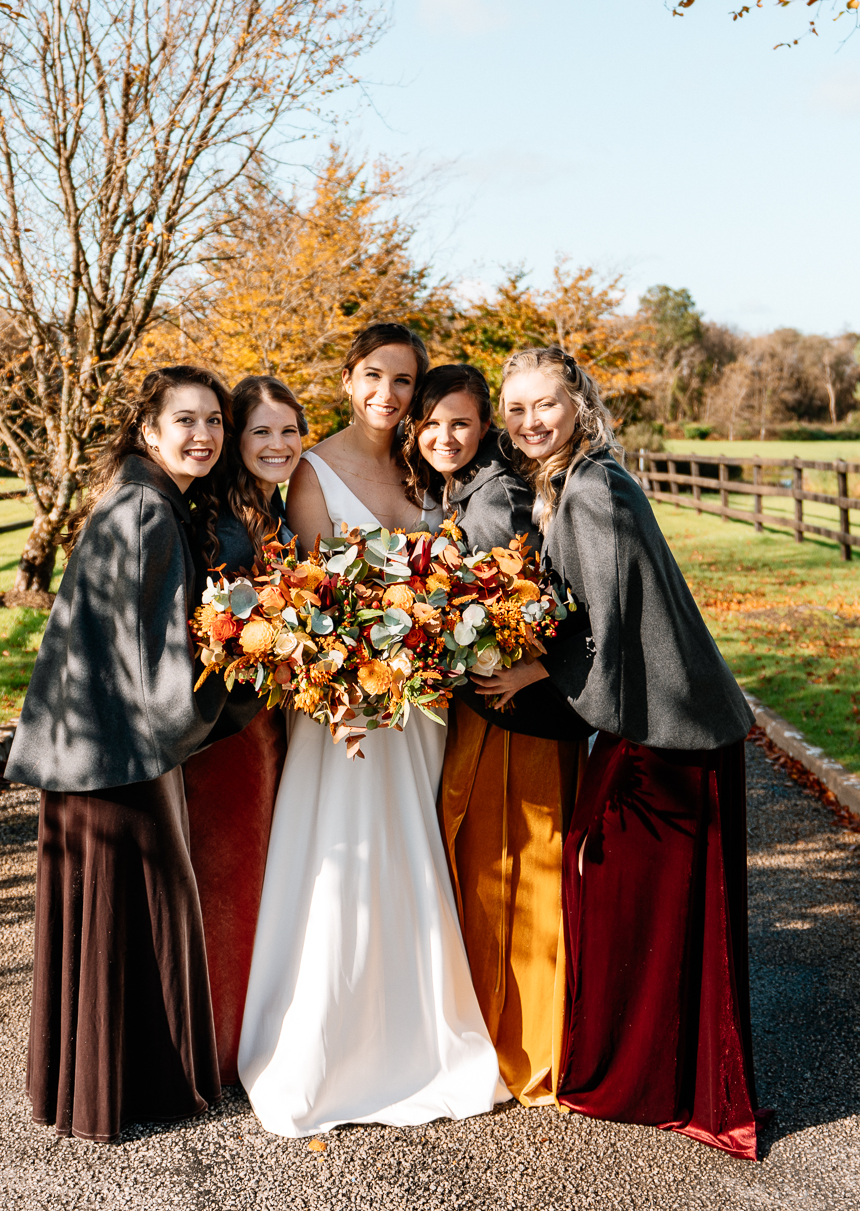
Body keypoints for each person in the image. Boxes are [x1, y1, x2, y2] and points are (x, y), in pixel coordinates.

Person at [238, 324, 505, 1137]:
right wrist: (353, 689)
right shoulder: (313, 472)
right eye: (374, 377)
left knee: (420, 847)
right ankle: (333, 1047)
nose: (388, 395)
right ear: (349, 380)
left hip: (421, 707)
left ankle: (427, 1030)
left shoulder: (429, 465)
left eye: (403, 381)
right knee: (348, 859)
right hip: (349, 713)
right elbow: (316, 604)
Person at [496, 346, 759, 1159]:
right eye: (517, 409)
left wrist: (526, 672)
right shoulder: (574, 483)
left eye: (546, 403)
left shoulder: (593, 492)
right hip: (663, 725)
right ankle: (662, 1074)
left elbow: (603, 625)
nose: (532, 420)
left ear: (578, 402)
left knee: (616, 894)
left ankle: (646, 1082)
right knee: (636, 904)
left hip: (665, 735)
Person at [9, 365, 233, 1143]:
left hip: (92, 743)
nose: (202, 435)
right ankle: (132, 1089)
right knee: (146, 905)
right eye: (186, 420)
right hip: (116, 751)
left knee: (107, 913)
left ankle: (89, 1088)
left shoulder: (141, 496)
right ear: (149, 430)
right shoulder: (148, 510)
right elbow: (163, 669)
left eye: (213, 421)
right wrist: (245, 694)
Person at [408, 362, 592, 1109]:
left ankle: (534, 1049)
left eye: (460, 422)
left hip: (522, 723)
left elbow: (565, 600)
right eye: (430, 423)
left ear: (484, 427)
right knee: (488, 876)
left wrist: (533, 670)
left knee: (525, 877)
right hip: (486, 714)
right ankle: (501, 1034)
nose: (443, 436)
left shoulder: (500, 498)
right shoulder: (463, 489)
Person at [180, 374, 304, 1086]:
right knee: (228, 878)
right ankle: (220, 1048)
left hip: (268, 720)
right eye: (261, 431)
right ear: (234, 438)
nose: (278, 444)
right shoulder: (222, 521)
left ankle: (241, 1029)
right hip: (233, 728)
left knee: (255, 875)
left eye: (289, 431)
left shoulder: (267, 507)